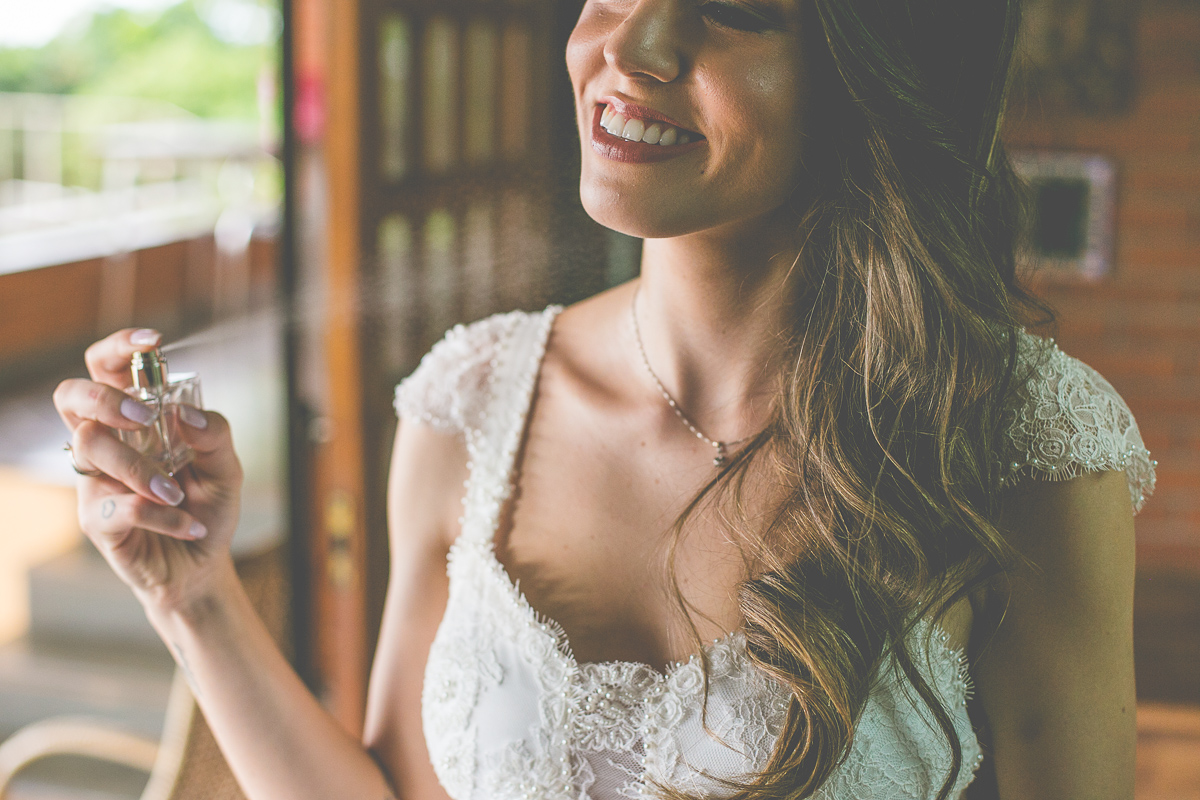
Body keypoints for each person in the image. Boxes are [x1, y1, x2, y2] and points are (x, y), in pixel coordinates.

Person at [53, 0, 1154, 797]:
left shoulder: (1028, 452)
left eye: (730, 10)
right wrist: (190, 595)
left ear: (871, 71)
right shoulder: (469, 402)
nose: (629, 45)